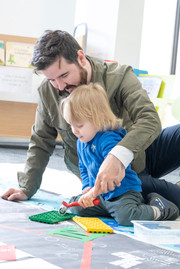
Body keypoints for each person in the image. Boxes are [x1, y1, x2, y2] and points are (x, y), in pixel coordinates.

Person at [1, 30, 180, 212]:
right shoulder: (48, 91)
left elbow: (149, 119)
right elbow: (40, 141)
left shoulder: (119, 76)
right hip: (113, 179)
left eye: (64, 75)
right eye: (51, 79)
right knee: (148, 196)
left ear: (80, 57)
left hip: (138, 153)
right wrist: (26, 188)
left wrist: (116, 157)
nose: (60, 86)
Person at [60, 83, 179, 226]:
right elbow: (83, 167)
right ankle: (111, 210)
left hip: (122, 193)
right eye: (71, 125)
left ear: (98, 118)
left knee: (126, 217)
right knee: (77, 208)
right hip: (101, 196)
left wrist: (92, 193)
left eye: (79, 126)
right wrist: (87, 187)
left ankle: (160, 209)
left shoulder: (109, 139)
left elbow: (111, 176)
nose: (75, 131)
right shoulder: (81, 141)